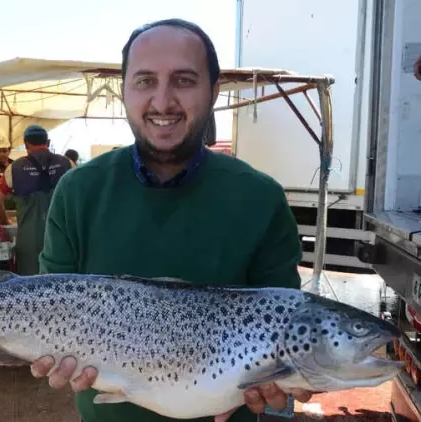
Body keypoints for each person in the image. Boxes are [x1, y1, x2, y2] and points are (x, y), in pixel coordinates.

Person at [32, 18, 313, 422]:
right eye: (145, 81)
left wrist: (277, 385)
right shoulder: (78, 192)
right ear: (124, 92)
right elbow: (49, 306)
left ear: (213, 92)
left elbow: (287, 331)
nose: (162, 102)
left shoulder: (261, 199)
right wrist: (50, 356)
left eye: (183, 80)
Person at [0, 124, 73, 275]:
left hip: (29, 241)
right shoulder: (67, 164)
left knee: (28, 284)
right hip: (61, 238)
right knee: (59, 282)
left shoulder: (14, 168)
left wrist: (5, 223)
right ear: (47, 142)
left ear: (26, 143)